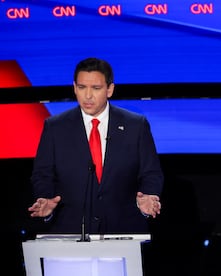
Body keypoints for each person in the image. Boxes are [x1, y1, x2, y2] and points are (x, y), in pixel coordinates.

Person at [28, 57, 164, 235]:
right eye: (82, 87)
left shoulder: (136, 125)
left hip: (123, 231)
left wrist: (148, 197)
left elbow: (151, 173)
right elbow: (42, 174)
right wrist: (45, 198)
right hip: (71, 231)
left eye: (96, 88)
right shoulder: (55, 127)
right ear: (74, 88)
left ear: (110, 89)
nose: (88, 96)